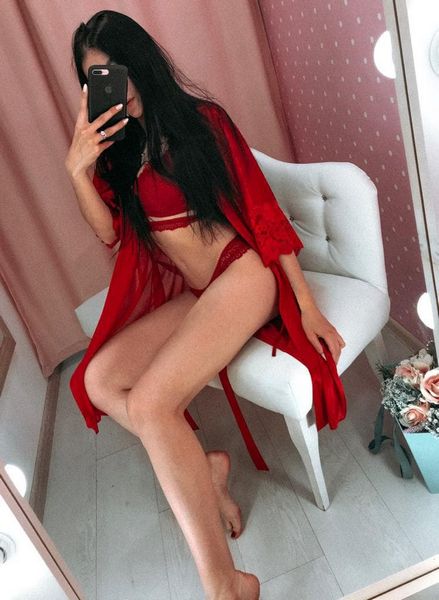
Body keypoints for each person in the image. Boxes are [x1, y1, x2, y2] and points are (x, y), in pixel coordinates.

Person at [65, 10, 346, 600]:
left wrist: (306, 305)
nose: (113, 86)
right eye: (96, 79)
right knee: (98, 381)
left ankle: (225, 584)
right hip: (203, 292)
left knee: (152, 404)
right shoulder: (119, 151)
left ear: (140, 62)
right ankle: (209, 470)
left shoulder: (202, 122)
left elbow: (263, 212)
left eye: (117, 70)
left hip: (245, 275)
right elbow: (109, 234)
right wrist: (77, 171)